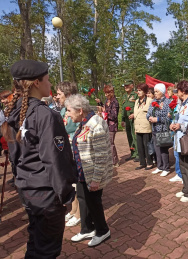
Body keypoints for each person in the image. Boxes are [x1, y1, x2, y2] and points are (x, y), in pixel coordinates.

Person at [2, 60, 77, 258]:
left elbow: (14, 156)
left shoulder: (14, 111)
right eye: (48, 79)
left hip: (27, 188)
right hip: (46, 194)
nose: (50, 84)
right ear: (36, 82)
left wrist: (22, 181)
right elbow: (55, 160)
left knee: (36, 242)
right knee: (47, 250)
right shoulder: (46, 115)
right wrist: (65, 194)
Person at [65, 94, 112, 247]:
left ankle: (102, 230)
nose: (67, 114)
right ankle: (87, 229)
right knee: (84, 200)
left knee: (94, 203)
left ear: (80, 110)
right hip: (82, 172)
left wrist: (96, 179)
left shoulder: (95, 124)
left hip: (92, 174)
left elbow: (101, 156)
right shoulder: (84, 122)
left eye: (69, 111)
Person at [56, 81, 81, 227]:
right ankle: (73, 210)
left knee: (77, 182)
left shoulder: (77, 109)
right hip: (67, 149)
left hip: (75, 149)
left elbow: (79, 129)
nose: (57, 97)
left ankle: (79, 213)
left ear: (68, 94)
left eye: (59, 94)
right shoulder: (64, 109)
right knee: (72, 182)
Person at [146, 83, 171, 177]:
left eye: (157, 91)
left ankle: (166, 167)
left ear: (162, 92)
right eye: (155, 91)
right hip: (155, 128)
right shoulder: (153, 102)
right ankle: (159, 166)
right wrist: (149, 117)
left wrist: (158, 119)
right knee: (156, 148)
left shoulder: (168, 102)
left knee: (163, 149)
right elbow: (148, 113)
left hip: (163, 129)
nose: (155, 93)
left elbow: (169, 117)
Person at [96, 85, 120, 167]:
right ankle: (112, 159)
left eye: (107, 93)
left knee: (110, 143)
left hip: (112, 126)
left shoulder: (115, 102)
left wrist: (105, 111)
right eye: (105, 93)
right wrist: (100, 103)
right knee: (107, 143)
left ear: (111, 92)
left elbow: (114, 116)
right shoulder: (107, 101)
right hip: (106, 124)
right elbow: (105, 108)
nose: (106, 95)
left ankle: (115, 161)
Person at [132, 83, 154, 170]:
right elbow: (136, 114)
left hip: (146, 127)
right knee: (139, 146)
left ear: (145, 91)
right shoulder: (137, 101)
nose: (138, 92)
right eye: (137, 90)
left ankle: (149, 162)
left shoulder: (150, 100)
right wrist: (135, 127)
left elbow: (151, 113)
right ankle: (142, 162)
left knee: (147, 146)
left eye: (140, 90)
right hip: (138, 127)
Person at [121, 80, 139, 161]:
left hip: (134, 118)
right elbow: (123, 108)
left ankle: (139, 154)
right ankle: (133, 153)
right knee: (129, 136)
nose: (126, 87)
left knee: (135, 136)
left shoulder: (135, 95)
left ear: (132, 86)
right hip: (127, 119)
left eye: (127, 85)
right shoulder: (124, 96)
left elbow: (139, 106)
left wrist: (134, 114)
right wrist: (122, 119)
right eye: (125, 86)